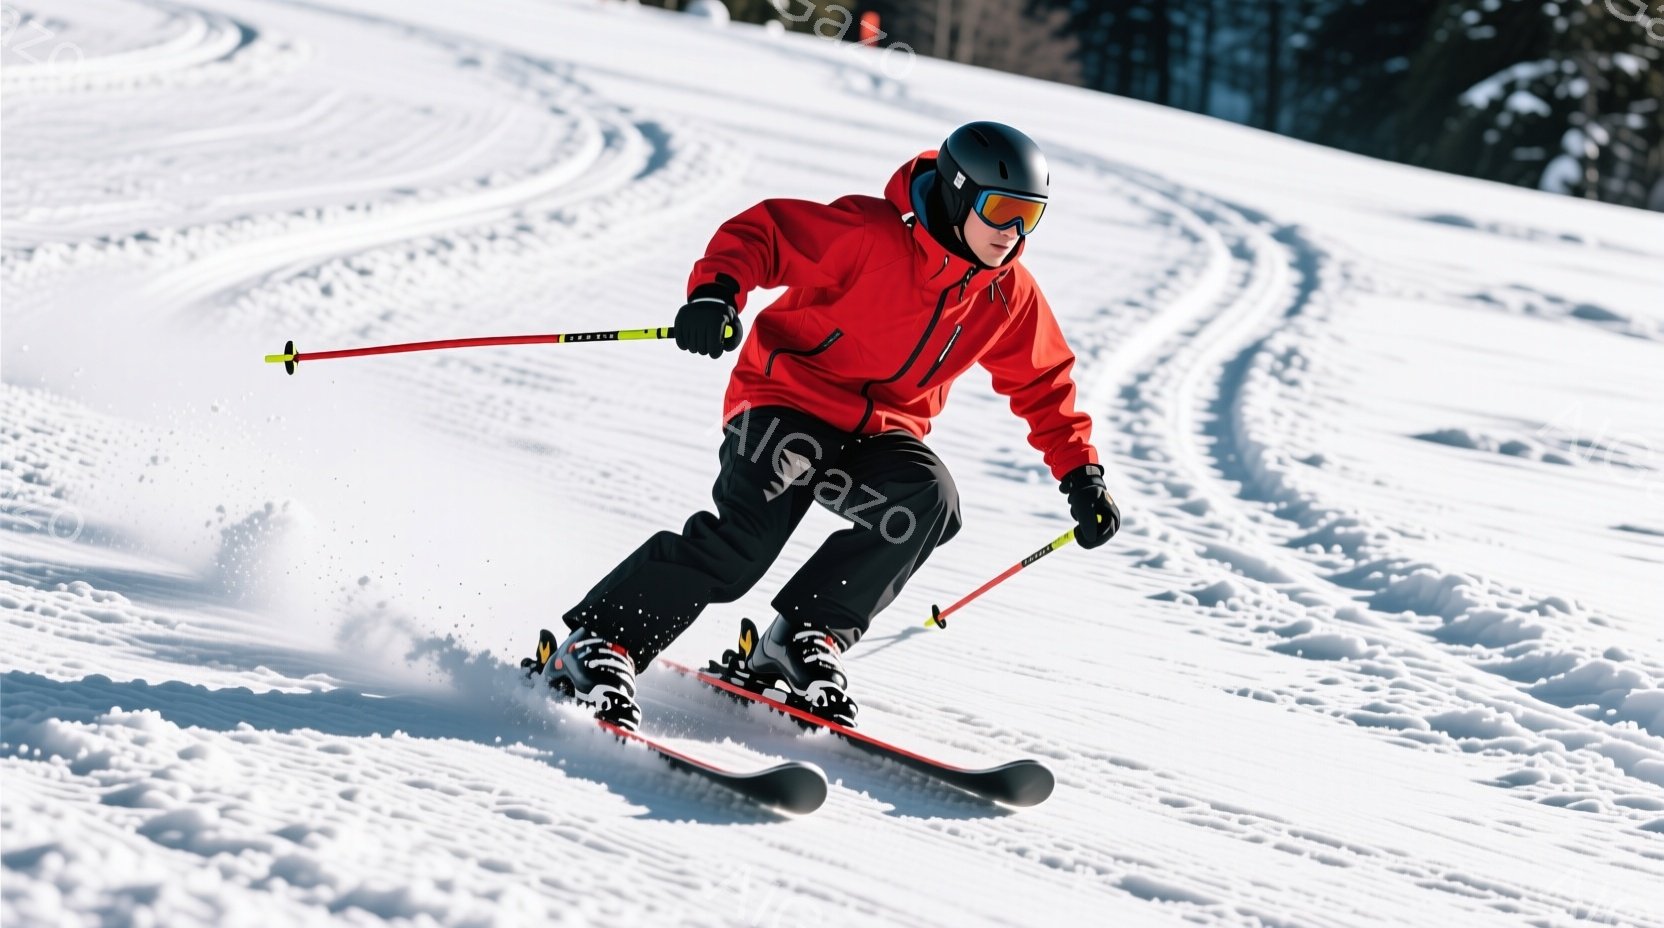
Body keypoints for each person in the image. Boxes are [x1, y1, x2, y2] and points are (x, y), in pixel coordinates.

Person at [524, 122, 1120, 730]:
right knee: (744, 542)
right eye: (1001, 211)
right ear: (960, 193)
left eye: (1031, 217)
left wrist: (1083, 477)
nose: (1013, 233)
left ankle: (802, 636)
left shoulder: (1007, 293)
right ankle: (601, 641)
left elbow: (1045, 384)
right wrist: (716, 295)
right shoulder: (870, 236)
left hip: (878, 436)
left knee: (927, 501)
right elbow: (764, 234)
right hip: (785, 404)